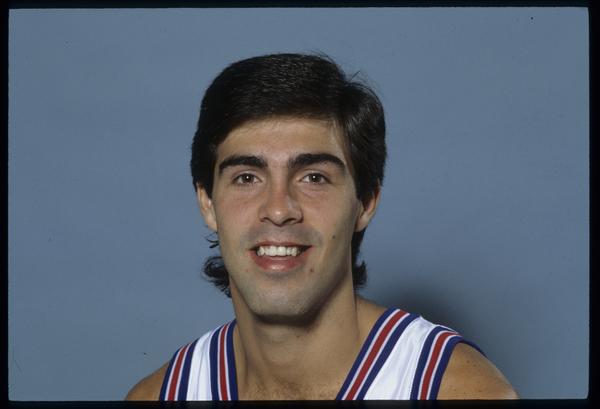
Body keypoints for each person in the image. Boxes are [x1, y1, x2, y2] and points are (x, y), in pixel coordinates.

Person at [126, 53, 518, 400]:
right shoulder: (161, 394)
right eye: (246, 177)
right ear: (207, 202)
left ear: (365, 202)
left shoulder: (456, 390)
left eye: (313, 177)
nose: (278, 209)